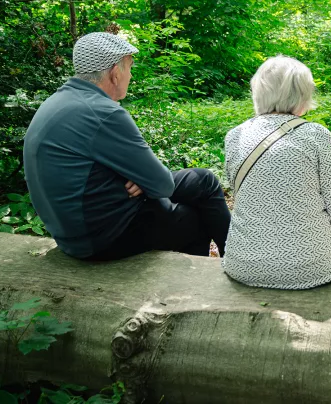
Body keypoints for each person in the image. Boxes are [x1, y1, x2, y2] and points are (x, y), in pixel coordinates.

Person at [23, 32, 231, 261]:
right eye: (129, 67)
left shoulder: (57, 102)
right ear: (115, 73)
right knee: (193, 215)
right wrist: (147, 181)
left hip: (72, 235)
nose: (131, 75)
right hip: (100, 240)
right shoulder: (103, 113)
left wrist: (144, 181)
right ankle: (233, 263)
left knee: (202, 180)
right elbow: (162, 185)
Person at [222, 55, 331, 290]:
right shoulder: (317, 135)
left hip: (241, 265)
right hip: (313, 267)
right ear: (302, 94)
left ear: (258, 93)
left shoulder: (235, 136)